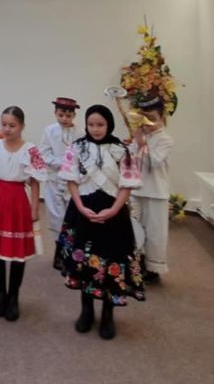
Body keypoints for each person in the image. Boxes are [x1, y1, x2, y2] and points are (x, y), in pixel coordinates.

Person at [52, 104, 145, 340]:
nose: (95, 129)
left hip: (113, 215)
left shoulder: (121, 150)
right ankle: (86, 310)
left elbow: (127, 185)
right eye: (91, 124)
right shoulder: (77, 147)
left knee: (110, 262)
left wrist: (113, 210)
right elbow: (71, 180)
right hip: (82, 213)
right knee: (84, 262)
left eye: (100, 124)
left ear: (108, 125)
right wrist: (80, 206)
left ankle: (107, 313)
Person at [0, 106, 45, 321]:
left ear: (22, 126)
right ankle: (0, 293)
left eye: (12, 125)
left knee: (17, 252)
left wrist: (34, 207)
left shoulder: (30, 150)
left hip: (18, 202)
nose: (7, 129)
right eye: (4, 124)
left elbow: (35, 181)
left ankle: (14, 296)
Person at [130, 94, 174, 283]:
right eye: (144, 119)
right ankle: (137, 265)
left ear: (162, 117)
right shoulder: (140, 137)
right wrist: (133, 144)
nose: (147, 124)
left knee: (155, 233)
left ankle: (153, 269)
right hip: (136, 191)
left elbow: (153, 161)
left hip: (156, 193)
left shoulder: (165, 140)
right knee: (135, 229)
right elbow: (131, 160)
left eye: (152, 119)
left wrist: (141, 143)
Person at [39, 97, 79, 245]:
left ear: (74, 115)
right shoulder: (49, 131)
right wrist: (60, 163)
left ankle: (71, 245)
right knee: (55, 213)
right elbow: (44, 152)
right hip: (54, 178)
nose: (64, 119)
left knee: (72, 212)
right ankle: (58, 245)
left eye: (68, 116)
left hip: (72, 180)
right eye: (61, 115)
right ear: (55, 113)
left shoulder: (80, 132)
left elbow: (82, 154)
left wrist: (71, 166)